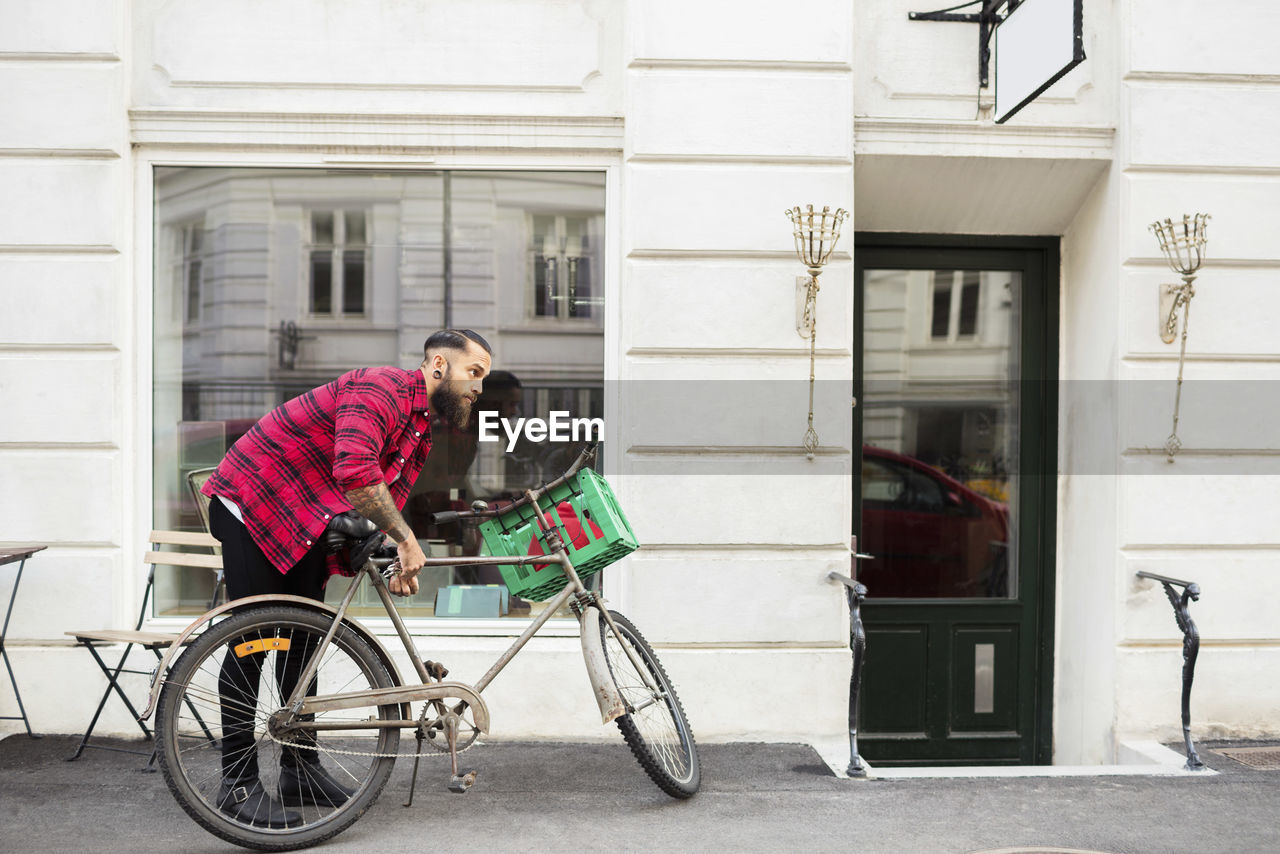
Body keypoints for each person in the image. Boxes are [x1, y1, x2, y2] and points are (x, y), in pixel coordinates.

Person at [201, 329, 492, 827]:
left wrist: (392, 553)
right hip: (255, 502)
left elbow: (381, 499)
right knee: (251, 638)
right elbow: (356, 470)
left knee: (302, 643)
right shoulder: (379, 388)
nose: (479, 388)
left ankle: (299, 770)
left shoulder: (419, 426)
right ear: (438, 365)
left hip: (307, 518)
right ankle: (238, 784)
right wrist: (405, 539)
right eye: (475, 373)